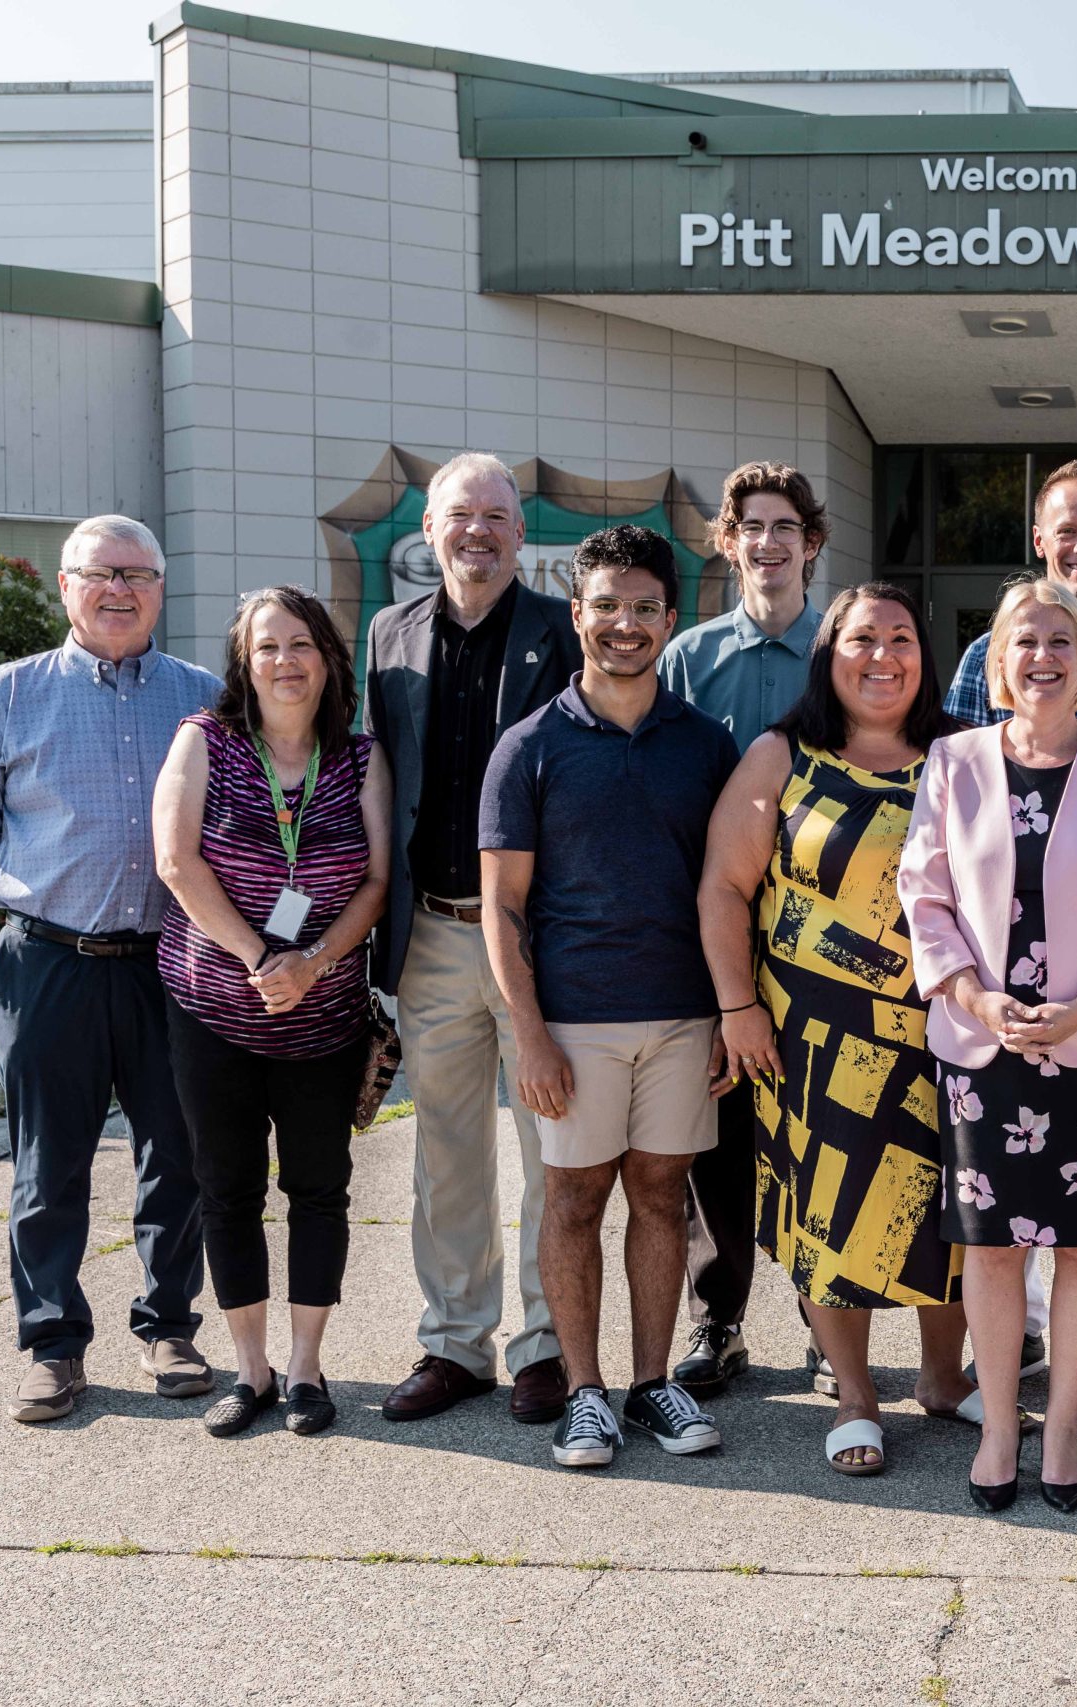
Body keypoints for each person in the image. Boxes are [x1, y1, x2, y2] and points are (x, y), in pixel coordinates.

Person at [0, 515, 220, 1424]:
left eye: (139, 574)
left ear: (161, 589)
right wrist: (40, 903)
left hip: (169, 965)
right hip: (46, 965)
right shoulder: (5, 696)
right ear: (66, 585)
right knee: (47, 1160)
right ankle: (53, 1343)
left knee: (176, 1153)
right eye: (101, 573)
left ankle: (169, 1324)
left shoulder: (206, 698)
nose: (120, 590)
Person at [899, 576, 1077, 1514]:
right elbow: (923, 894)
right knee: (994, 1248)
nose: (1043, 657)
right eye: (1025, 641)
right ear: (1000, 661)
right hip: (982, 1044)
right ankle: (1001, 1429)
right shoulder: (953, 760)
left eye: (1061, 641)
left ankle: (1061, 1429)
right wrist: (973, 996)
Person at [700, 582, 976, 1476]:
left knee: (950, 1210)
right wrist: (737, 1008)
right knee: (834, 1210)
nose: (883, 655)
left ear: (924, 659)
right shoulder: (783, 755)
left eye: (902, 637)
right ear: (830, 653)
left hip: (944, 1031)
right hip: (813, 1036)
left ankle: (942, 1376)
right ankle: (856, 1393)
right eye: (863, 638)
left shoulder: (963, 756)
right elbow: (724, 888)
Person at [481, 524, 738, 1470]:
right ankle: (584, 1393)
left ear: (671, 618)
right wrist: (531, 1035)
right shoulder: (530, 746)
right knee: (575, 1199)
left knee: (664, 1199)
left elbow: (732, 889)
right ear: (576, 613)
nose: (623, 625)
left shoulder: (708, 746)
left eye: (643, 609)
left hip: (681, 1018)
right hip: (574, 1020)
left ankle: (652, 1382)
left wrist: (726, 1011)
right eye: (605, 607)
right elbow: (502, 908)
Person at [365, 452, 578, 1427]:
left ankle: (544, 1346)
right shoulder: (388, 635)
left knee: (551, 1150)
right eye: (461, 514)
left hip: (535, 940)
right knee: (447, 1152)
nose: (478, 531)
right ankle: (455, 1343)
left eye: (497, 514)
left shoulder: (559, 633)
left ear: (520, 533)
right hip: (432, 935)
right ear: (429, 528)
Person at [152, 586, 392, 1437]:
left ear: (328, 659)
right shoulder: (204, 741)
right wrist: (260, 959)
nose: (285, 661)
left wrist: (314, 962)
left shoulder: (359, 758)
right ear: (243, 663)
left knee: (319, 1191)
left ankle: (305, 1369)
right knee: (227, 1190)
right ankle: (248, 1371)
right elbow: (177, 862)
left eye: (302, 645)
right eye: (267, 647)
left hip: (323, 1022)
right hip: (214, 1010)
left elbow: (375, 881)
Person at [943, 461, 1077, 1407]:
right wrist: (978, 996)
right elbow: (937, 871)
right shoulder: (962, 738)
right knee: (994, 1239)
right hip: (986, 1019)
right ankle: (1008, 1380)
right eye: (1065, 530)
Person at [660, 461, 829, 1400]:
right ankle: (717, 1319)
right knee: (716, 1140)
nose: (767, 544)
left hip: (821, 944)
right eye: (749, 528)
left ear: (811, 541)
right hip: (714, 935)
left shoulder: (842, 650)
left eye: (784, 527)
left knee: (816, 1135)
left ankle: (823, 1314)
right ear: (728, 542)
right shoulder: (687, 659)